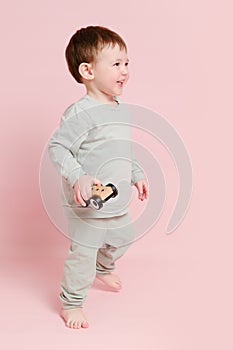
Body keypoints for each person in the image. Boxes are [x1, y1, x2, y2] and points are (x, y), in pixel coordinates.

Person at [48, 26, 148, 329]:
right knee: (83, 252)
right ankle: (72, 302)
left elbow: (122, 148)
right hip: (87, 203)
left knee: (123, 237)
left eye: (127, 63)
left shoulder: (119, 108)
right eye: (116, 64)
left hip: (115, 199)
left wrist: (136, 172)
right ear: (88, 70)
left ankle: (102, 267)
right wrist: (77, 175)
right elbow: (58, 147)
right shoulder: (81, 113)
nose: (125, 70)